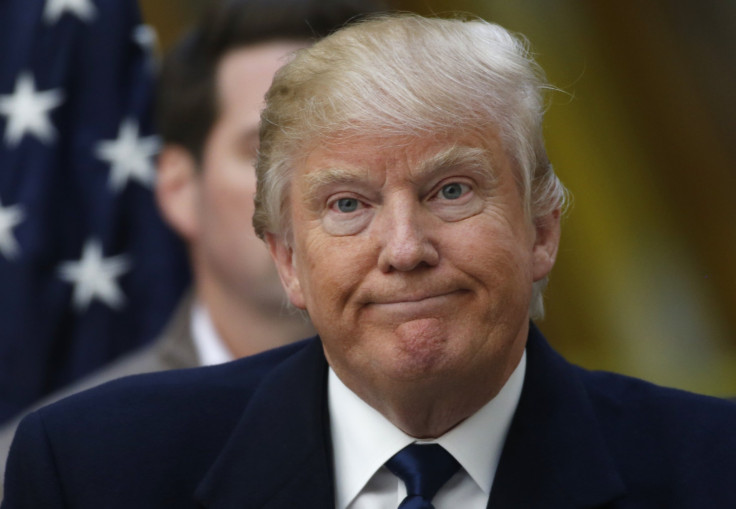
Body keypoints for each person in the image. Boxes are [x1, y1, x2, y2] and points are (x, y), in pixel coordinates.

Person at [4, 13, 736, 508]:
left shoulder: (713, 468)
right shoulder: (94, 468)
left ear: (542, 230)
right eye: (348, 204)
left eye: (451, 190)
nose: (406, 248)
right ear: (287, 259)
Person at [0, 0, 385, 498]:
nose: (320, 186)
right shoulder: (60, 464)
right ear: (179, 188)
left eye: (349, 148)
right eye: (266, 150)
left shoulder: (472, 409)